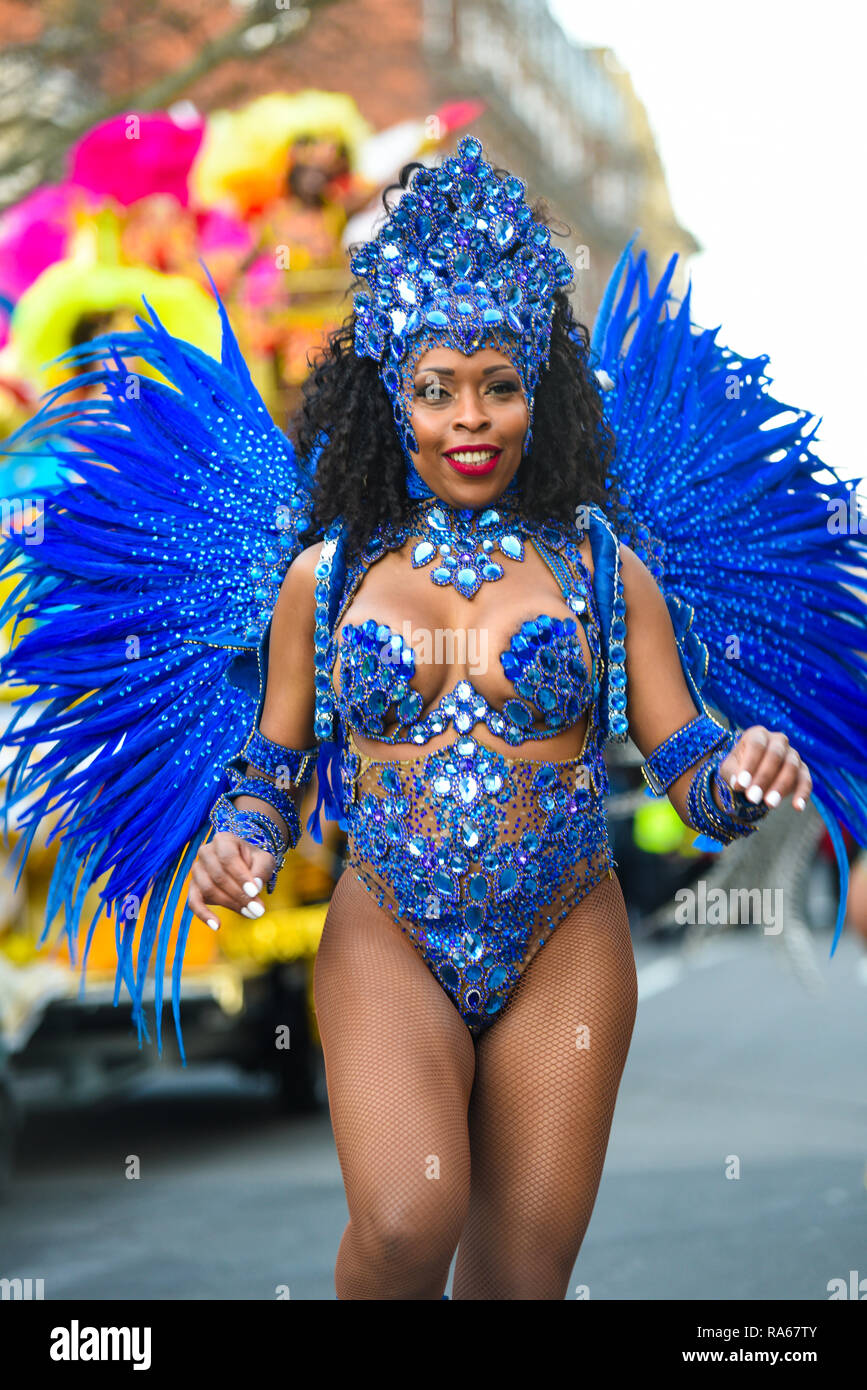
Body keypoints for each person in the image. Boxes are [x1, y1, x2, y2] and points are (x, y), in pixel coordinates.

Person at [0, 134, 863, 1302]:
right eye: (438, 387)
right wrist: (240, 839)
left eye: (499, 385)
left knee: (518, 1277)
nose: (473, 418)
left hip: (566, 931)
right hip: (387, 929)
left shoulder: (609, 566)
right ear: (389, 395)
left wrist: (747, 770)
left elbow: (687, 766)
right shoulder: (325, 571)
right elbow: (272, 763)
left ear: (538, 392)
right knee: (409, 1221)